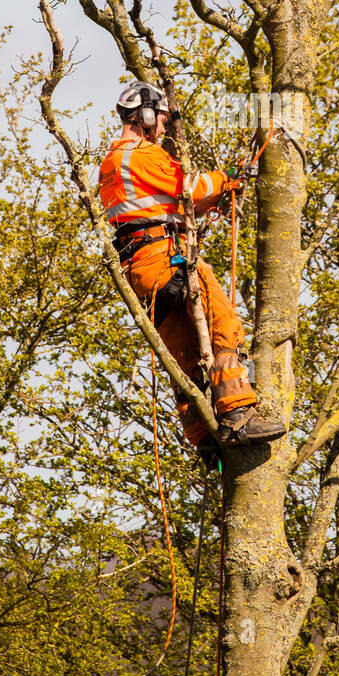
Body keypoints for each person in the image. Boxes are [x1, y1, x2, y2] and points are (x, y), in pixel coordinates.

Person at [98, 81, 286, 459]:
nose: (164, 128)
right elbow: (191, 186)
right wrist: (225, 178)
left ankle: (203, 435)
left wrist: (213, 196)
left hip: (141, 268)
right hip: (166, 257)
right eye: (162, 119)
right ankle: (237, 413)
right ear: (146, 116)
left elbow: (176, 204)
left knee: (183, 352)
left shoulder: (110, 163)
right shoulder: (142, 155)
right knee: (223, 324)